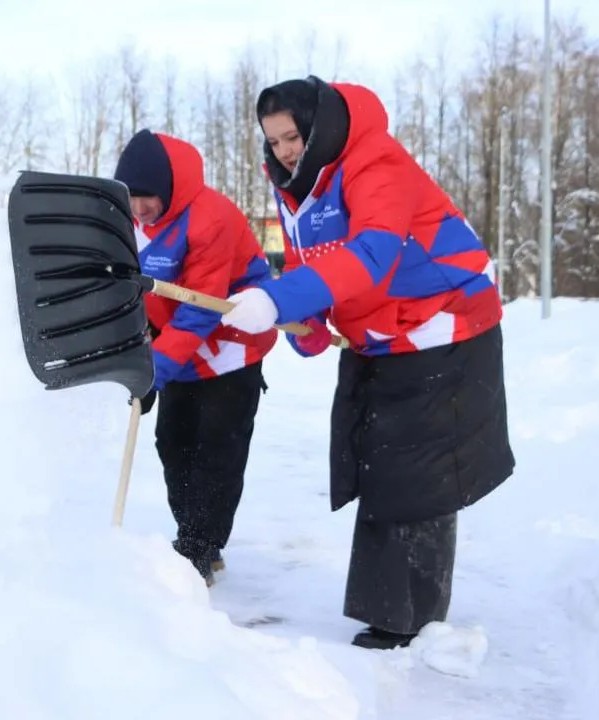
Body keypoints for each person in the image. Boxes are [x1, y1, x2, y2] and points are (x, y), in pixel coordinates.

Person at [219, 76, 515, 649]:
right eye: (273, 138)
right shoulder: (293, 187)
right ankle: (388, 609)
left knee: (418, 472)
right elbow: (321, 271)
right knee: (376, 462)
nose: (282, 149)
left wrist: (282, 296)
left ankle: (411, 620)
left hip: (443, 325)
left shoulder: (376, 162)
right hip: (380, 335)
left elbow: (372, 254)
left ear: (321, 125)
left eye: (292, 135)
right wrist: (304, 324)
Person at [113, 128, 279, 587]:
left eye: (148, 198)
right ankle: (192, 533)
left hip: (230, 347)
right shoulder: (128, 225)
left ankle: (201, 545)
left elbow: (199, 311)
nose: (140, 208)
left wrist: (152, 371)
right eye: (132, 198)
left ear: (169, 190)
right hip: (176, 350)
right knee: (174, 442)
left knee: (216, 450)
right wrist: (138, 352)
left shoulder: (211, 217)